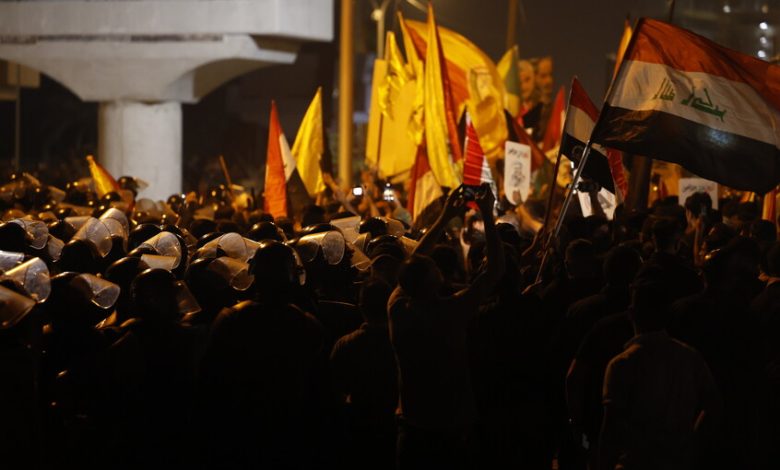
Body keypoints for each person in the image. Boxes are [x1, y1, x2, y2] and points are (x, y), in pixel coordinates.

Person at [389, 183, 505, 470]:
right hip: (451, 429)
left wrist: (444, 218)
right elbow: (494, 271)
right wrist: (487, 214)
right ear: (435, 280)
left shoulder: (398, 309)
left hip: (412, 428)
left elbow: (412, 262)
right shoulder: (451, 311)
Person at [197, 241, 327, 469]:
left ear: (254, 274)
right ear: (291, 276)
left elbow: (209, 382)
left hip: (241, 431)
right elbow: (319, 390)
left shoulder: (231, 319)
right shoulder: (306, 324)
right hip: (290, 432)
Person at [599, 267, 721, 470]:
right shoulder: (690, 356)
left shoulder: (622, 364)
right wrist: (691, 440)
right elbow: (714, 405)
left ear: (631, 313)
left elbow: (610, 427)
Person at [330, 279, 397, 470]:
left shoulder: (346, 344)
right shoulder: (402, 343)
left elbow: (335, 389)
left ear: (361, 307)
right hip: (393, 424)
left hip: (358, 424)